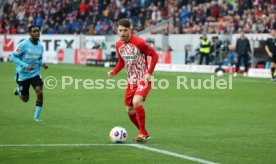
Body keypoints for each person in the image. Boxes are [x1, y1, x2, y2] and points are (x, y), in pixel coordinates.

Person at [107, 19, 158, 143]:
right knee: (129, 110)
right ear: (117, 31)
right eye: (120, 30)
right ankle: (144, 132)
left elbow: (154, 55)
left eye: (125, 30)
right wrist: (114, 71)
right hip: (131, 81)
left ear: (130, 29)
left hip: (143, 79)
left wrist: (148, 74)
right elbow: (121, 61)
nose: (122, 33)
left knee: (136, 102)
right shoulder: (119, 45)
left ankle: (141, 133)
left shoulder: (139, 42)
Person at [10, 25, 48, 122]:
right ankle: (19, 90)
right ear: (30, 33)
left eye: (38, 31)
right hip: (23, 74)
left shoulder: (40, 46)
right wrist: (25, 65)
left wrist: (43, 64)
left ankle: (37, 117)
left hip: (35, 73)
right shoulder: (23, 44)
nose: (36, 33)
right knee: (25, 99)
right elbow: (13, 57)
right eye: (34, 31)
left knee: (39, 92)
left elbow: (39, 59)